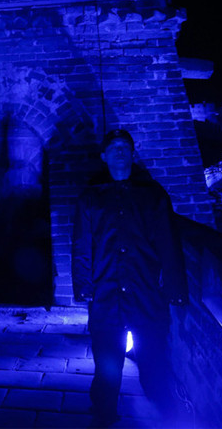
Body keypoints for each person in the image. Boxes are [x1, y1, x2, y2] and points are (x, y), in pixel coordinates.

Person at [72, 129, 189, 427]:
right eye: (113, 147)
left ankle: (166, 409)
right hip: (106, 293)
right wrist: (84, 286)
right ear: (104, 156)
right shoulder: (90, 198)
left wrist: (175, 288)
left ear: (133, 153)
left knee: (153, 357)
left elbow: (168, 243)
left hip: (146, 291)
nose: (120, 151)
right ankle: (104, 413)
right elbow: (82, 244)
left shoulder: (153, 196)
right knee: (107, 364)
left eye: (125, 146)